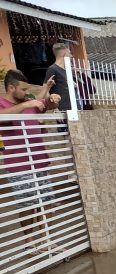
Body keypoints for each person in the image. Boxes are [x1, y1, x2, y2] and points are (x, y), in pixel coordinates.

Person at [0, 70, 61, 254]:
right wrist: (27, 103)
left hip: (40, 161)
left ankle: (46, 239)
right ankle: (29, 240)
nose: (27, 93)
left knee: (48, 200)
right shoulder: (4, 104)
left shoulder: (27, 102)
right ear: (11, 88)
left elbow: (45, 105)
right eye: (23, 89)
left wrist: (53, 98)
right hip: (20, 166)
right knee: (28, 204)